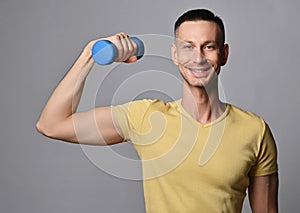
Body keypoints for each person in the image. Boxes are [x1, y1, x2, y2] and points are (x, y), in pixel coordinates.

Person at [36, 9, 278, 213]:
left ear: (223, 54)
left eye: (209, 47)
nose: (198, 58)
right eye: (188, 47)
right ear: (175, 54)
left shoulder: (254, 130)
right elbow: (51, 124)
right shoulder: (146, 118)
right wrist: (89, 54)